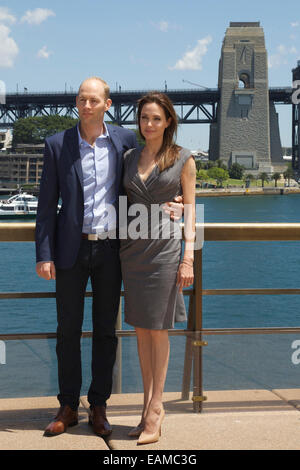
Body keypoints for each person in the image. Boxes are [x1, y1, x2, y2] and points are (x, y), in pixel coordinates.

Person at [35, 77, 183, 438]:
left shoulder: (125, 141)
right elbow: (45, 205)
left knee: (106, 331)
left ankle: (98, 405)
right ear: (77, 103)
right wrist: (44, 254)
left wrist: (172, 203)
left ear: (108, 104)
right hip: (70, 249)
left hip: (114, 250)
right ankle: (68, 405)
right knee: (67, 330)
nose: (86, 105)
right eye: (81, 99)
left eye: (93, 100)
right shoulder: (57, 144)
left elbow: (147, 179)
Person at [120, 92, 196, 445]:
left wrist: (188, 257)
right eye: (144, 118)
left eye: (155, 119)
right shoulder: (128, 158)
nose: (148, 124)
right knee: (140, 330)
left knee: (159, 329)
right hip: (132, 252)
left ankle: (156, 408)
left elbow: (191, 211)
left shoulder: (184, 159)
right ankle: (145, 406)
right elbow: (120, 203)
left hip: (166, 251)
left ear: (168, 122)